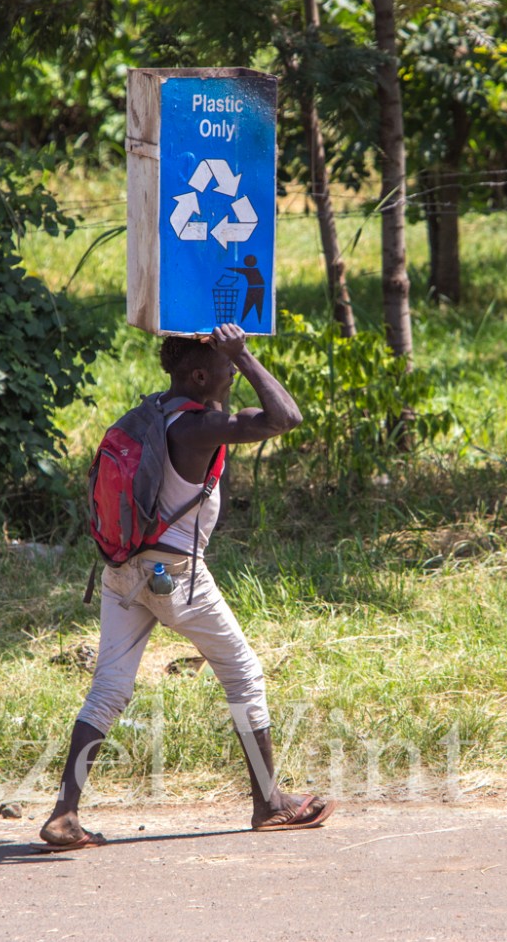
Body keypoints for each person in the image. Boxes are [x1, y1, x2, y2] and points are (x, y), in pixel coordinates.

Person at [37, 323, 335, 851]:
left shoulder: (151, 413)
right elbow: (286, 417)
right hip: (176, 576)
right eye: (221, 367)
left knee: (109, 690)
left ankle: (65, 814)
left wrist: (230, 356)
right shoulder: (196, 428)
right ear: (200, 375)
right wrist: (243, 355)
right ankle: (269, 803)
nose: (231, 374)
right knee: (243, 673)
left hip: (122, 569)